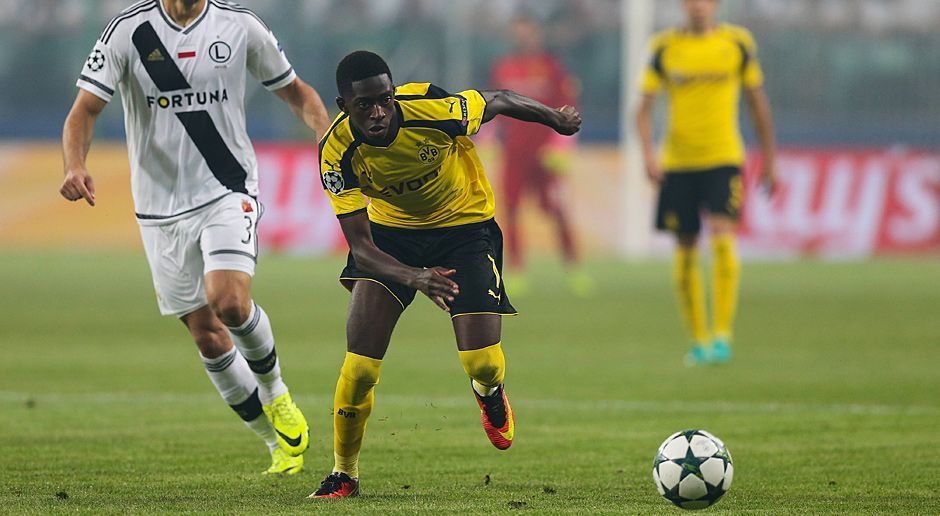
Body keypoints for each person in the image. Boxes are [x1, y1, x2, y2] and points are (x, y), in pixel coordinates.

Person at [59, 0, 331, 474]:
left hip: (227, 189)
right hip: (158, 209)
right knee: (207, 336)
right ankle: (276, 444)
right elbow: (84, 110)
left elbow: (296, 92)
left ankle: (275, 391)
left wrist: (328, 135)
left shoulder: (240, 26)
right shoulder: (128, 31)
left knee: (228, 300)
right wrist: (75, 165)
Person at [310, 50, 581, 498]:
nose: (378, 112)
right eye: (365, 105)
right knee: (359, 367)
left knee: (483, 362)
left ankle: (489, 391)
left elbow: (498, 99)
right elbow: (360, 246)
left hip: (464, 229)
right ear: (344, 106)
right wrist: (415, 276)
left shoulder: (432, 110)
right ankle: (344, 473)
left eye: (384, 100)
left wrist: (554, 117)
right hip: (390, 239)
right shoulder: (336, 152)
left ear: (393, 94)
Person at [635, 0, 777, 366]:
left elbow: (757, 102)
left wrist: (769, 160)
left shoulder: (737, 44)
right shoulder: (664, 47)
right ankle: (698, 339)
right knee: (684, 245)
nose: (699, 6)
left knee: (722, 233)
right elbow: (643, 108)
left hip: (723, 157)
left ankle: (722, 335)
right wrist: (649, 155)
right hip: (678, 162)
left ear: (716, 5)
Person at [491, 16, 592, 296]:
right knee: (510, 211)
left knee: (557, 210)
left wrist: (560, 145)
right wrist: (488, 137)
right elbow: (492, 108)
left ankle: (574, 268)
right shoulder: (503, 68)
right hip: (514, 153)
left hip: (544, 156)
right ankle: (517, 270)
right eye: (518, 30)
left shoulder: (551, 67)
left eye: (528, 30)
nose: (523, 36)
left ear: (536, 33)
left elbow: (568, 106)